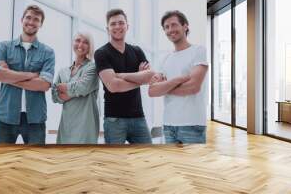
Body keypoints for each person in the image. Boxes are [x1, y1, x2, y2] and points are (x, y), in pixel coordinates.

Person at [0, 5, 55, 144]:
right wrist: (31, 75)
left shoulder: (48, 52)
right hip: (5, 117)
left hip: (35, 119)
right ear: (22, 20)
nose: (31, 22)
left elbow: (44, 85)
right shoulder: (5, 47)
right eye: (28, 17)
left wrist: (9, 76)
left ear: (41, 24)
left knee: (35, 162)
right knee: (1, 162)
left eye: (36, 19)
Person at [94, 9, 156, 144]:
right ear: (107, 28)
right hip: (114, 120)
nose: (117, 27)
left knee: (147, 160)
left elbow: (151, 76)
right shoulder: (101, 53)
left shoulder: (137, 51)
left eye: (121, 23)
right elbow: (113, 86)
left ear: (127, 26)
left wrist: (120, 75)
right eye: (113, 24)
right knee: (115, 162)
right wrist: (139, 77)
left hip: (139, 117)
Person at [148, 10, 208, 144]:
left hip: (192, 124)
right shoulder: (164, 59)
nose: (170, 30)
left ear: (185, 26)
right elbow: (152, 91)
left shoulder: (198, 51)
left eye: (174, 25)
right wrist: (178, 80)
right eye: (166, 27)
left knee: (192, 165)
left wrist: (164, 87)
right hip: (169, 125)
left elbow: (193, 87)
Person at [52, 32, 99, 144]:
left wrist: (63, 88)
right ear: (73, 43)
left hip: (86, 125)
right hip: (66, 125)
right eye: (78, 40)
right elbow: (54, 96)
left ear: (90, 47)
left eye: (85, 42)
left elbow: (82, 88)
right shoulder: (62, 72)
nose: (81, 44)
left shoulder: (92, 68)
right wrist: (75, 91)